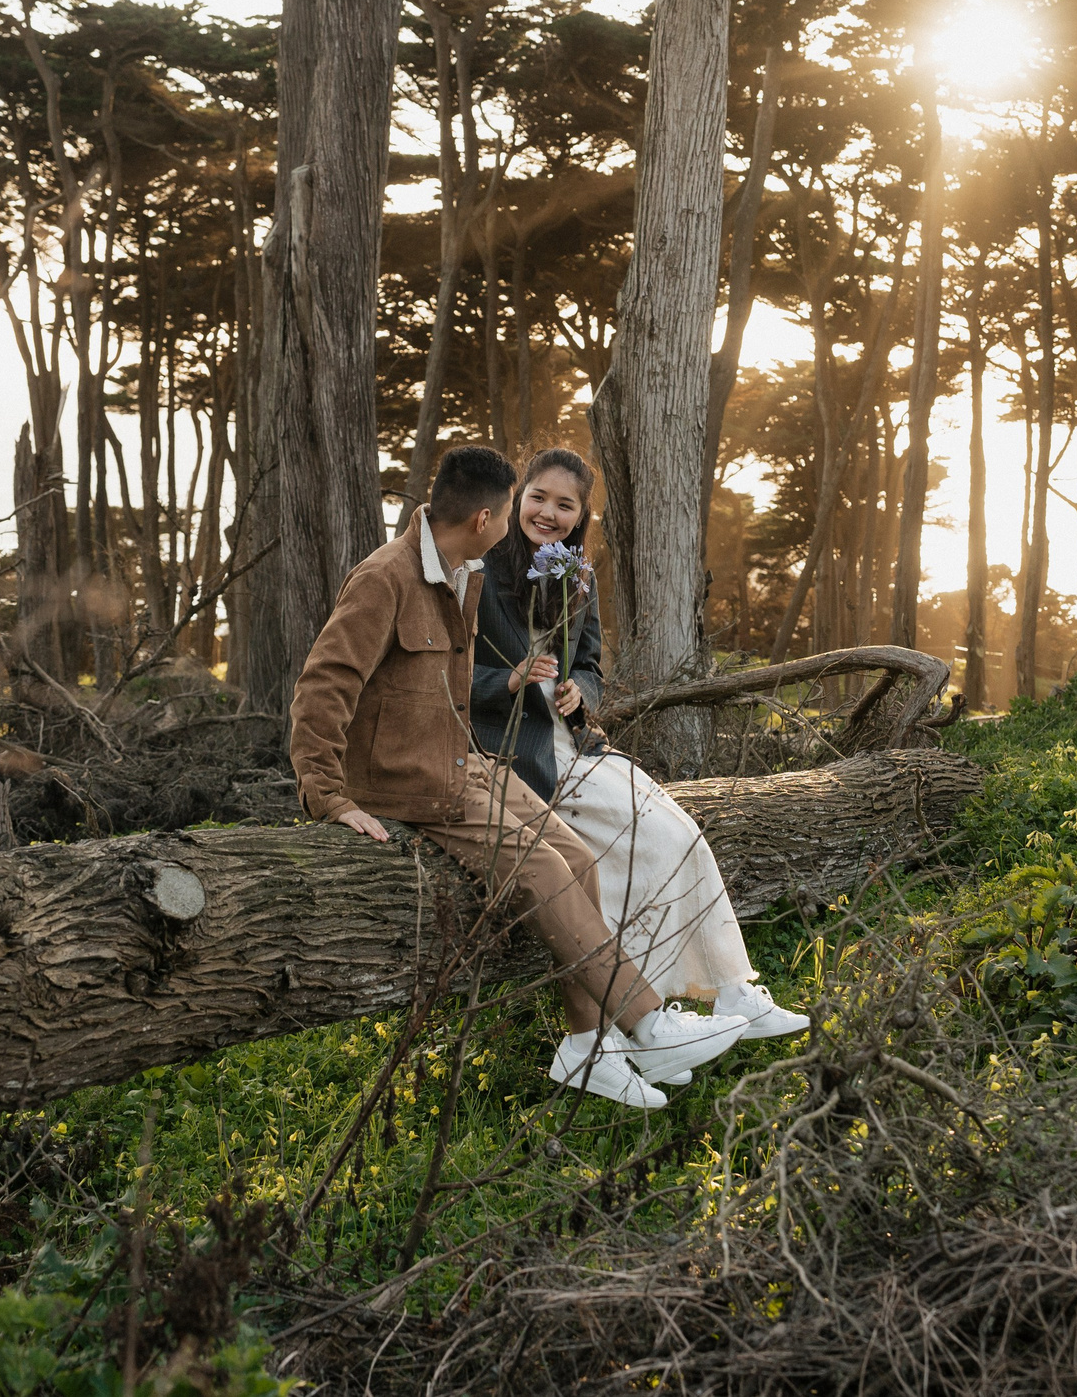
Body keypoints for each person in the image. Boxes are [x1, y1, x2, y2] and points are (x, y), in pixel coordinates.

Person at [289, 444, 749, 1110]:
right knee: (539, 868)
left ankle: (587, 1051)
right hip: (406, 779)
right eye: (513, 506)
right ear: (484, 518)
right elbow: (322, 685)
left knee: (577, 857)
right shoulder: (383, 579)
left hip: (462, 759)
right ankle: (650, 1023)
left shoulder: (462, 573)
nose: (522, 519)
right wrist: (328, 795)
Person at [470, 447, 808, 1041]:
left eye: (564, 505)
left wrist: (583, 692)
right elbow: (447, 680)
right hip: (517, 757)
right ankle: (643, 1017)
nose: (547, 513)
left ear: (581, 516)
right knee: (638, 849)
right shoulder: (477, 571)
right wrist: (509, 681)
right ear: (517, 497)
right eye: (538, 498)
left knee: (679, 832)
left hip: (578, 746)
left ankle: (734, 991)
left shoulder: (577, 577)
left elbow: (594, 663)